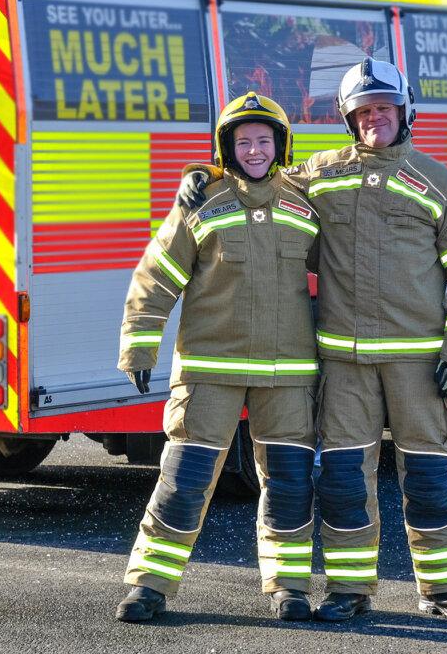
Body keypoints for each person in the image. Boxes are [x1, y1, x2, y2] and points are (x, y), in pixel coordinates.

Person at [179, 59, 447, 623]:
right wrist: (207, 173)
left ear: (405, 112)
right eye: (364, 112)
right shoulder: (322, 173)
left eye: (384, 108)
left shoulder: (439, 183)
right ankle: (350, 590)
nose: (375, 119)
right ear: (350, 120)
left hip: (420, 364)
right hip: (344, 364)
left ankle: (444, 589)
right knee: (345, 480)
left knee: (428, 477)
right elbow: (260, 173)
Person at [116, 92, 321, 623]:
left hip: (287, 375)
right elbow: (156, 275)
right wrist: (139, 344)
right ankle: (148, 586)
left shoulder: (304, 204)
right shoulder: (201, 202)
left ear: (281, 145)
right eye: (243, 141)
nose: (254, 150)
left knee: (289, 485)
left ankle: (289, 587)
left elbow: (347, 265)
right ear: (226, 148)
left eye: (264, 140)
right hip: (209, 370)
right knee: (183, 482)